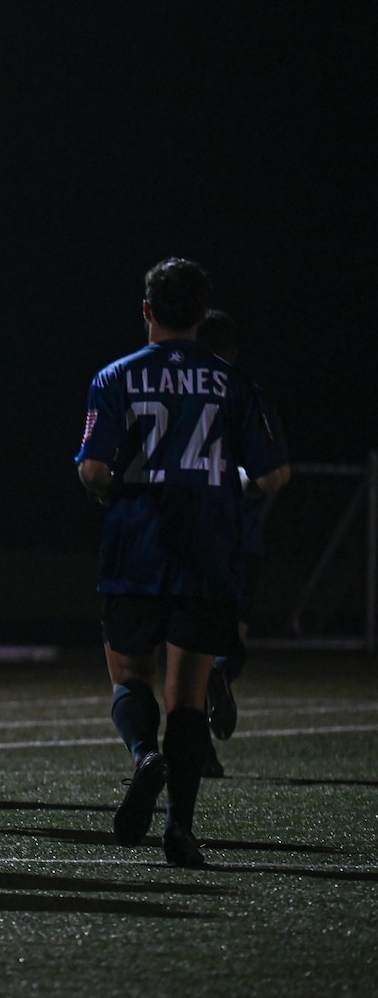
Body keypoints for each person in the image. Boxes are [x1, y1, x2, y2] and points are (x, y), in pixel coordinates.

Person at [76, 260, 287, 866]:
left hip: (136, 545)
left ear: (147, 310)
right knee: (188, 696)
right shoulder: (232, 382)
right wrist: (225, 487)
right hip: (206, 548)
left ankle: (145, 755)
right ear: (201, 314)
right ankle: (182, 830)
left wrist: (111, 492)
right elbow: (275, 473)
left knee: (127, 677)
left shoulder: (114, 377)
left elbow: (93, 469)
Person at [191, 309, 286, 773]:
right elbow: (273, 475)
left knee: (184, 649)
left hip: (185, 534)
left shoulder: (168, 386)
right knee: (231, 642)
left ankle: (193, 749)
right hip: (240, 535)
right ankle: (220, 676)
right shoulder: (245, 391)